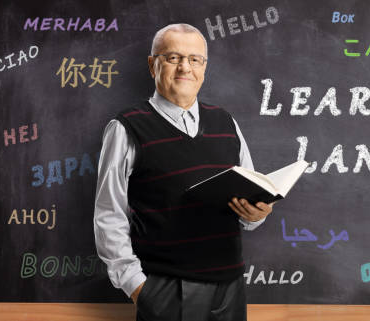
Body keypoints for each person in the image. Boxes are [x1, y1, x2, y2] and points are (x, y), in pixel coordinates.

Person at [93, 23, 273, 321]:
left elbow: (247, 199)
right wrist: (138, 288)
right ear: (153, 65)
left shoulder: (226, 123)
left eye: (194, 59)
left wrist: (257, 214)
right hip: (167, 288)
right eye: (173, 58)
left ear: (204, 67)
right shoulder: (126, 127)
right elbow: (109, 215)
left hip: (231, 285)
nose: (184, 68)